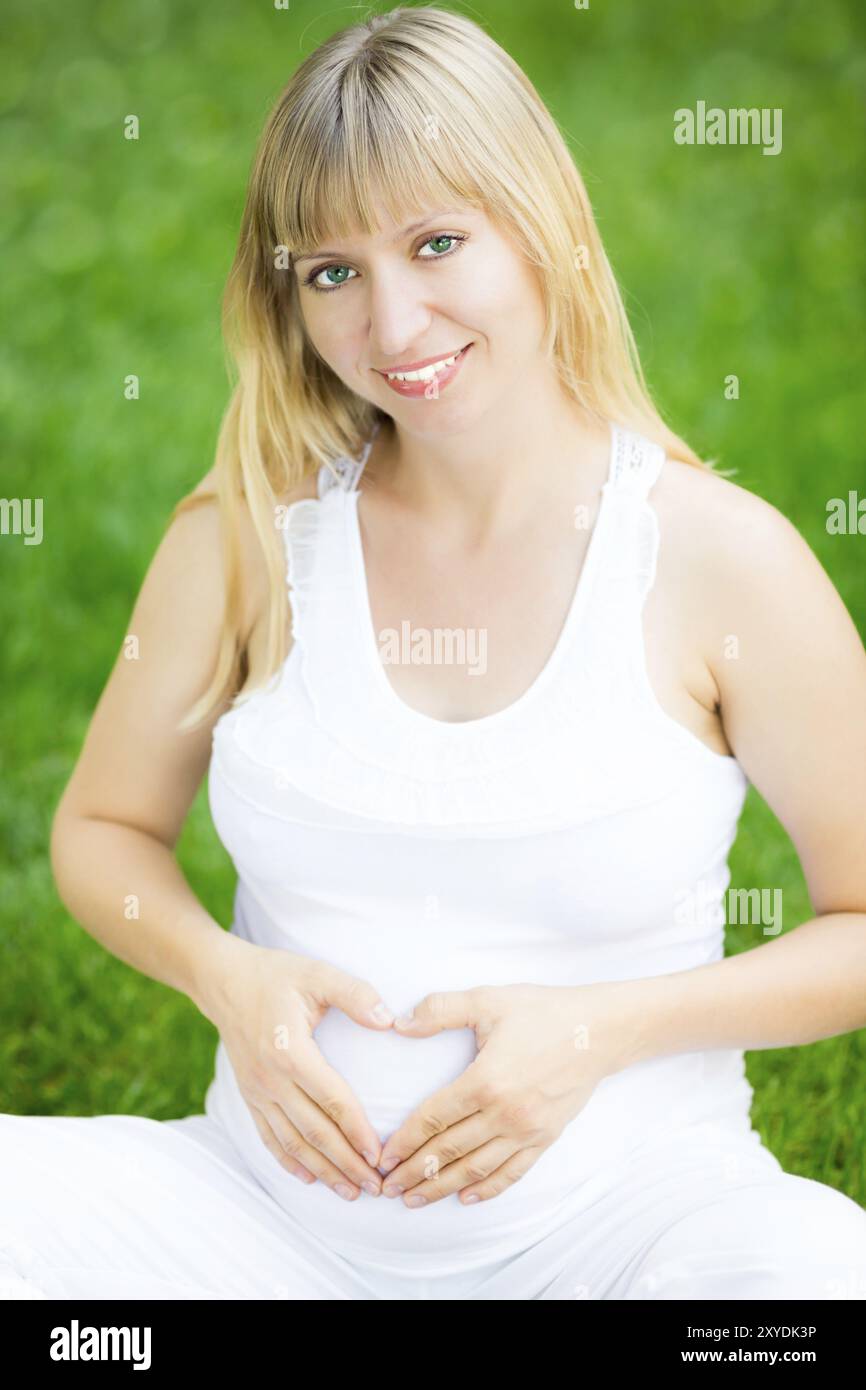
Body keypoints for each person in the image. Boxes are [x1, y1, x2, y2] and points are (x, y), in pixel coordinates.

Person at [4, 5, 866, 1302]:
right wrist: (226, 976)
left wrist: (597, 1030)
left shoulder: (716, 560)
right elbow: (105, 831)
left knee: (805, 1283)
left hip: (631, 1233)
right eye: (331, 271)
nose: (393, 322)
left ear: (544, 231)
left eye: (437, 243)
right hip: (252, 1230)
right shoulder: (244, 538)